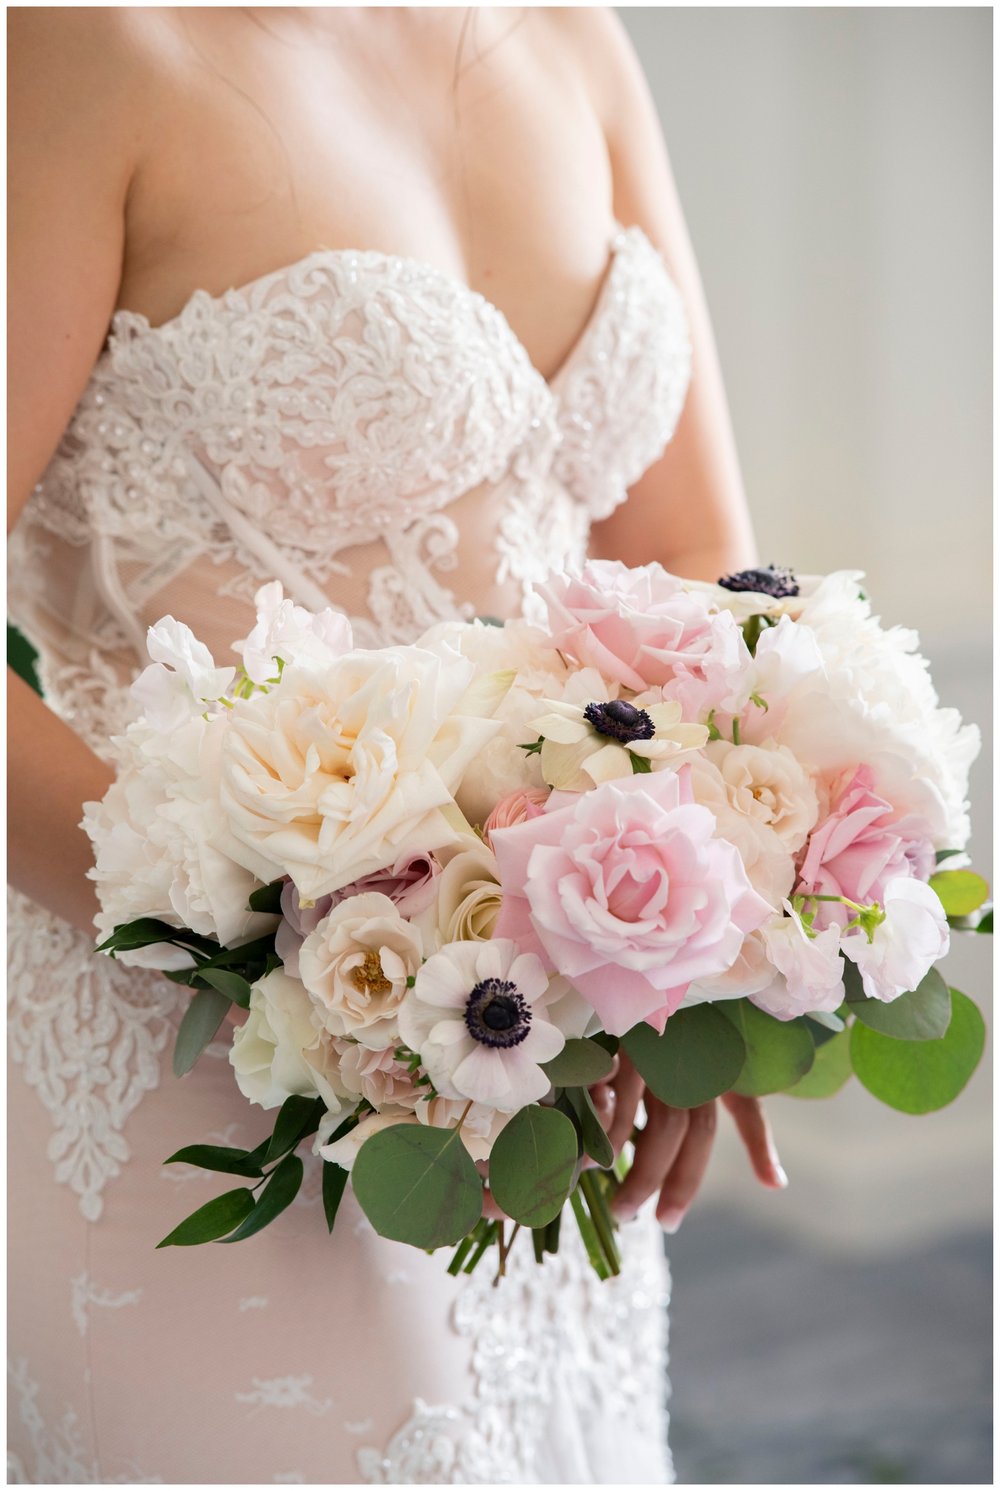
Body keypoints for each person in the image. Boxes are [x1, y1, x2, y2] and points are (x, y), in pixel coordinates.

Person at [8, 8, 787, 1483]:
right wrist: (280, 942)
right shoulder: (76, 46)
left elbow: (686, 553)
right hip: (184, 1052)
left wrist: (696, 948)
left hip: (550, 1047)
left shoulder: (569, 32)